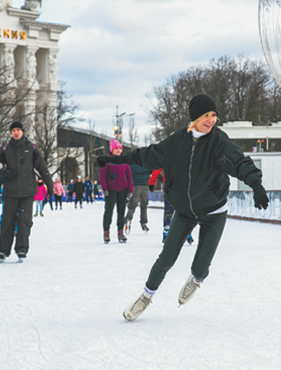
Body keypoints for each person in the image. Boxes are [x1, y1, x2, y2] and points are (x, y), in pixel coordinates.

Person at [98, 94, 269, 321]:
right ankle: (145, 296)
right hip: (185, 211)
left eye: (214, 115)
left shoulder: (219, 141)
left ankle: (196, 279)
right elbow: (147, 155)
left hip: (214, 212)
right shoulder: (177, 141)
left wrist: (256, 184)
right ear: (194, 119)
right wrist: (117, 161)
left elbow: (239, 162)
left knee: (200, 268)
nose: (211, 120)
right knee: (166, 258)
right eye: (206, 116)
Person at [0, 121, 53, 262]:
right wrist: (5, 171)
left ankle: (21, 249)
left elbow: (42, 167)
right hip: (11, 191)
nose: (16, 132)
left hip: (27, 192)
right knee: (7, 222)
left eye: (18, 130)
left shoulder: (31, 148)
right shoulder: (5, 148)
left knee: (24, 222)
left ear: (23, 131)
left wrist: (50, 185)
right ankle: (3, 251)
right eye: (13, 130)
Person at [98, 139, 133, 244]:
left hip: (123, 189)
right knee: (109, 211)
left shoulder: (124, 161)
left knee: (121, 212)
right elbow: (102, 177)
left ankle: (120, 232)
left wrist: (130, 190)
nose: (118, 150)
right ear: (112, 150)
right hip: (111, 190)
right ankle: (106, 232)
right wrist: (105, 189)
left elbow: (129, 176)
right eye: (116, 148)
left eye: (119, 148)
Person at [126, 164, 152, 233]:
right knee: (144, 205)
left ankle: (128, 219)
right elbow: (155, 172)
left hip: (135, 186)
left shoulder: (132, 166)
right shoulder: (147, 164)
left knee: (133, 205)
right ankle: (144, 223)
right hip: (145, 186)